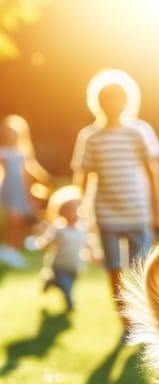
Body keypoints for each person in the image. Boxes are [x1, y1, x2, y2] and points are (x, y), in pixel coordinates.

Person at [71, 69, 159, 340]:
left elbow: (153, 171)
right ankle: (127, 323)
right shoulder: (90, 137)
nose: (112, 103)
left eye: (118, 98)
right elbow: (83, 176)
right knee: (114, 268)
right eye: (106, 98)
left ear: (127, 102)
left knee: (141, 268)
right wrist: (78, 207)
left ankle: (145, 319)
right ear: (97, 102)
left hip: (138, 210)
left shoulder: (139, 132)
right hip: (106, 213)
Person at [34, 185, 96, 312]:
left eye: (78, 208)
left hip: (75, 266)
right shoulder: (59, 230)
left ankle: (51, 282)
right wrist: (42, 244)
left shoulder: (82, 230)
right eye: (72, 209)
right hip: (59, 265)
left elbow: (87, 246)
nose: (77, 212)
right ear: (62, 213)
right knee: (66, 286)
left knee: (68, 284)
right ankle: (70, 304)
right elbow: (49, 241)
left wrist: (94, 256)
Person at [0, 114, 51, 268]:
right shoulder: (2, 152)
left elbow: (28, 173)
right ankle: (8, 248)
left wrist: (36, 190)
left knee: (20, 222)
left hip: (22, 191)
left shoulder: (23, 152)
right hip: (8, 189)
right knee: (12, 220)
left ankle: (14, 250)